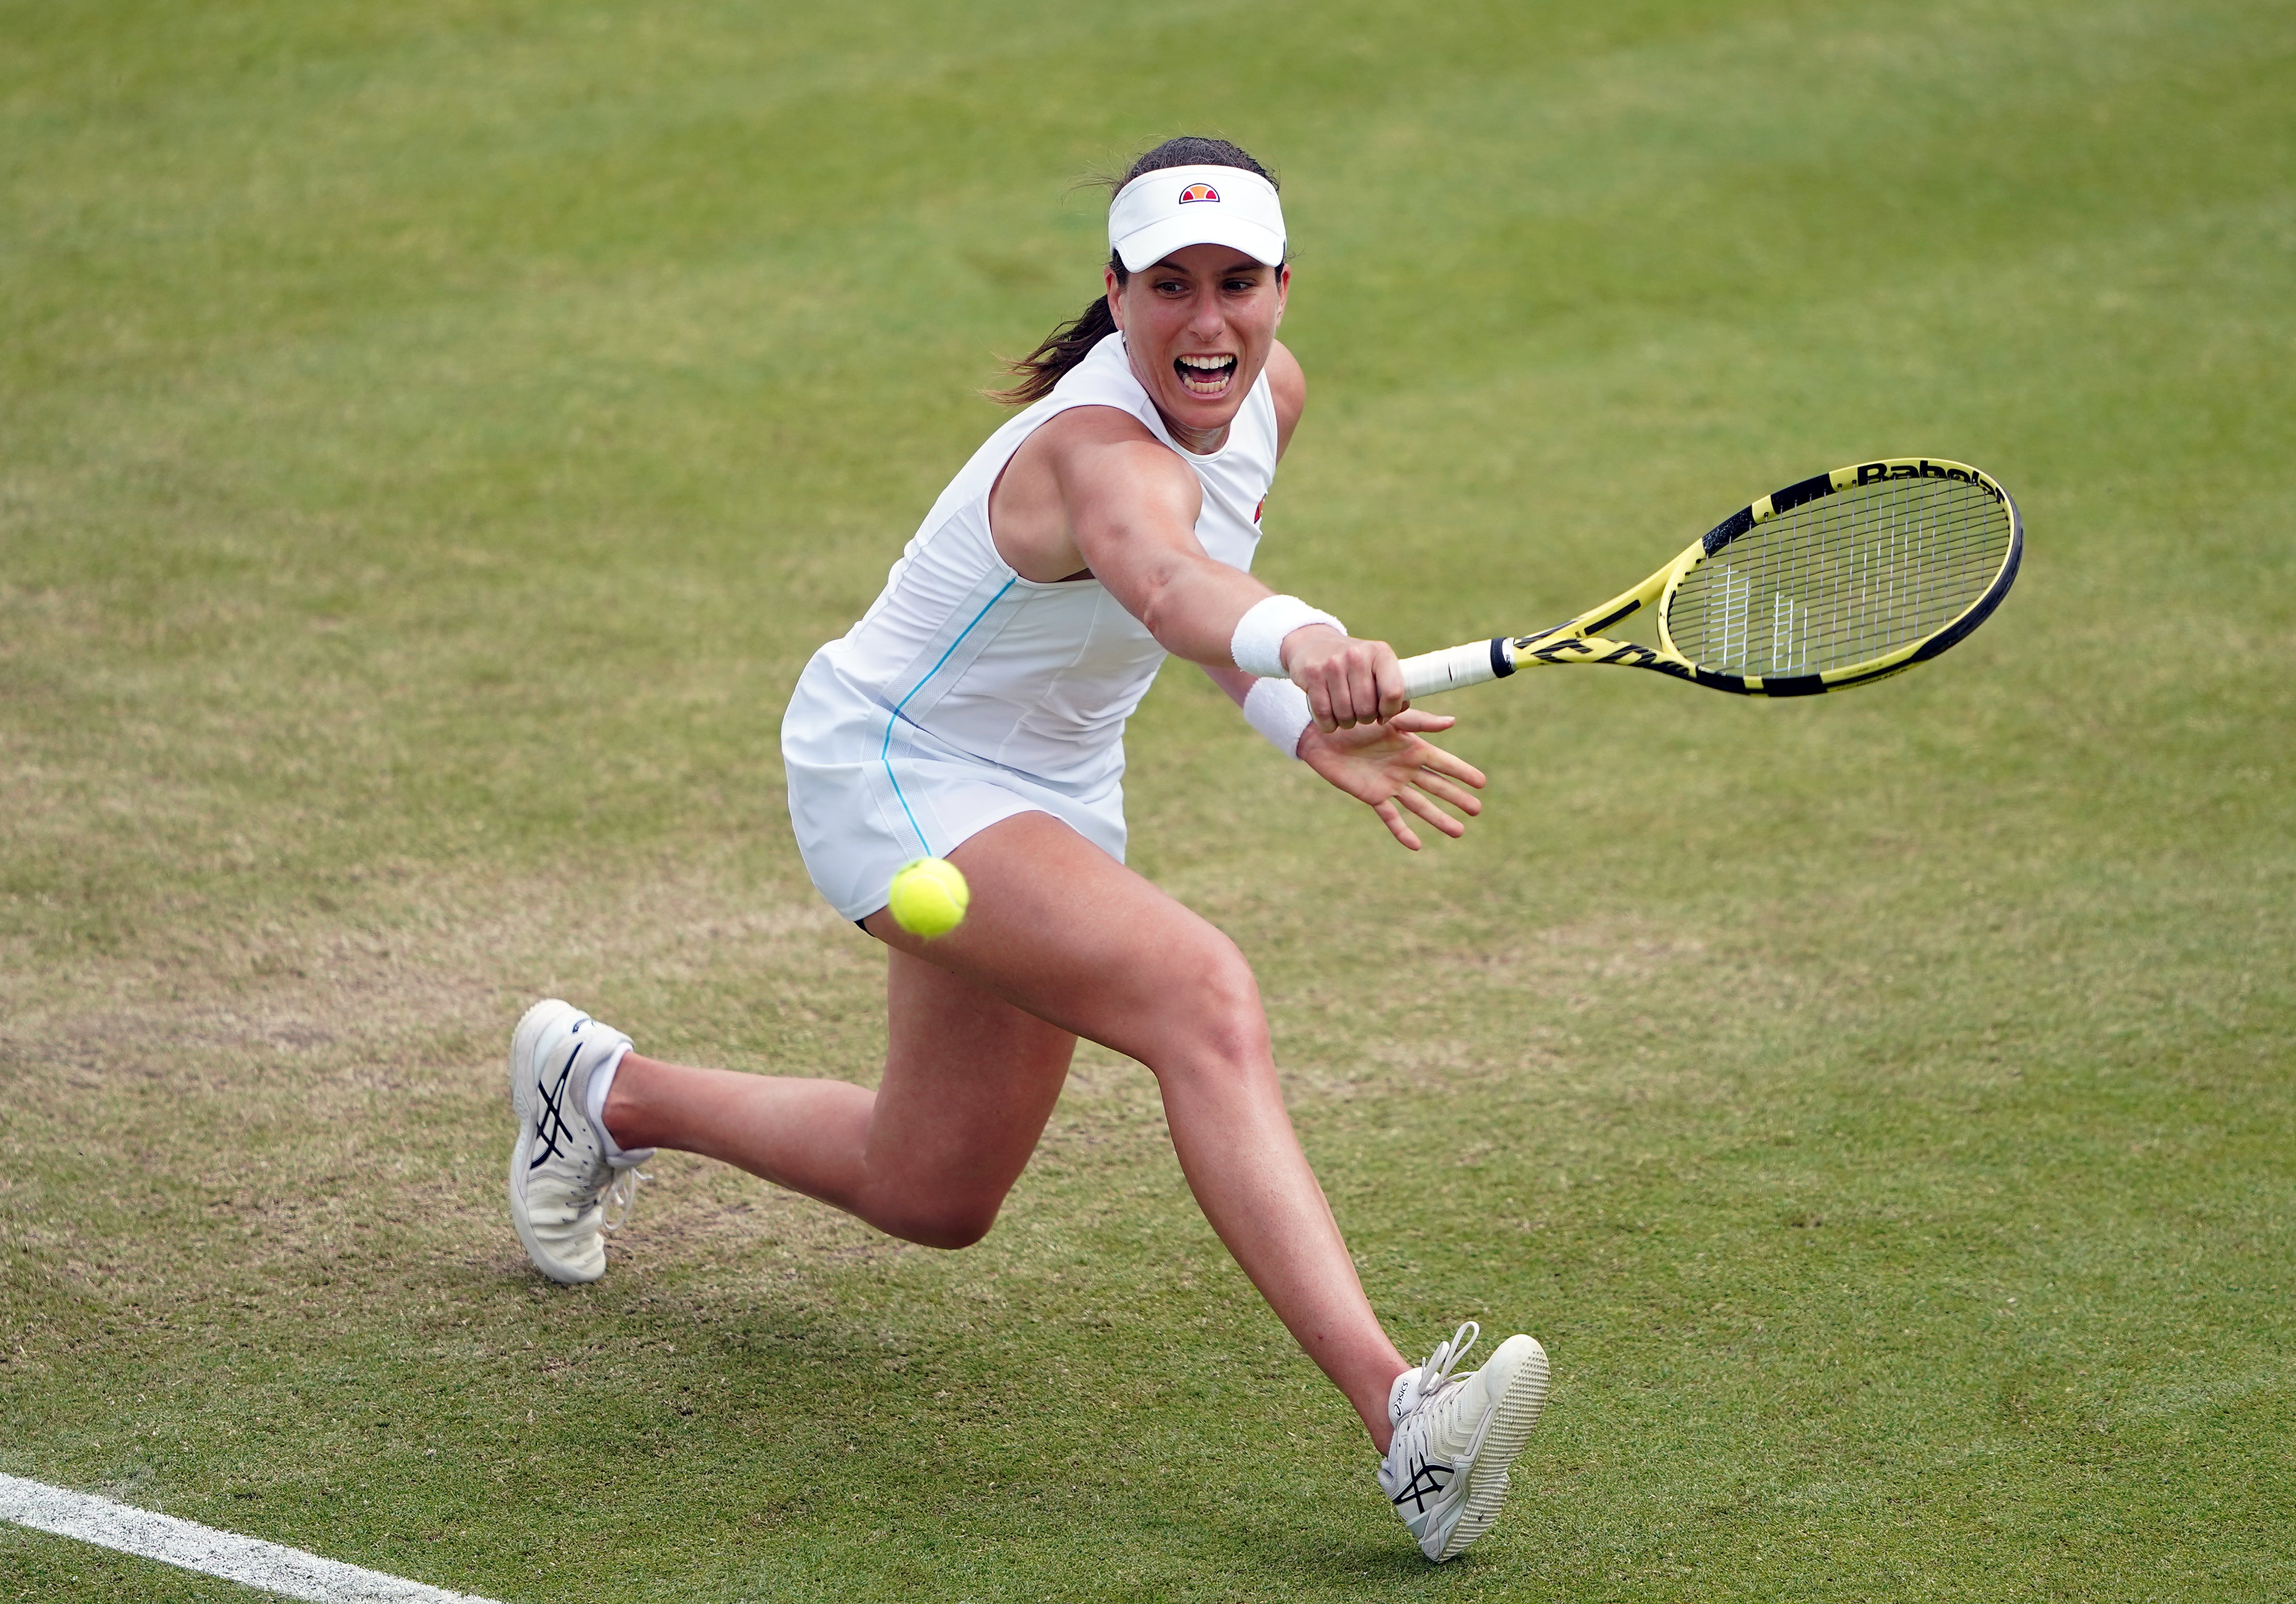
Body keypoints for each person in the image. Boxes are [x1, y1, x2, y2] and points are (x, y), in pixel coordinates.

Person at [502, 137, 1547, 1561]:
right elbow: (1170, 579)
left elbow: (1181, 614)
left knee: (933, 1189)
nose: (1207, 321)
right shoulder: (1090, 452)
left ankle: (602, 1094)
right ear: (1115, 297)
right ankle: (1405, 1421)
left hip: (1049, 792)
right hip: (900, 774)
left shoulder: (1268, 402)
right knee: (1204, 998)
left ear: (1285, 289)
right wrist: (1303, 636)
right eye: (1169, 286)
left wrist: (1293, 714)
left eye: (1236, 283)